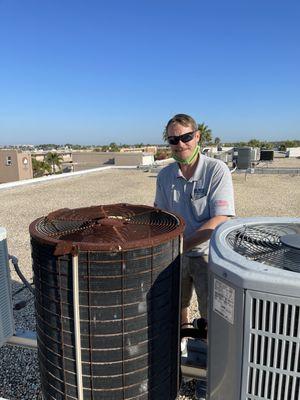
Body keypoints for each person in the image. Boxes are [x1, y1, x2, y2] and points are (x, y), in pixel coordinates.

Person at [154, 113, 235, 326]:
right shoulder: (165, 176)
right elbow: (160, 216)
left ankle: (210, 349)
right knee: (176, 304)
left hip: (208, 255)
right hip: (175, 256)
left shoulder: (216, 170)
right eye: (173, 140)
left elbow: (220, 217)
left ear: (197, 136)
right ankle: (182, 339)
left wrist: (183, 245)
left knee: (212, 311)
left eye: (186, 137)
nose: (180, 144)